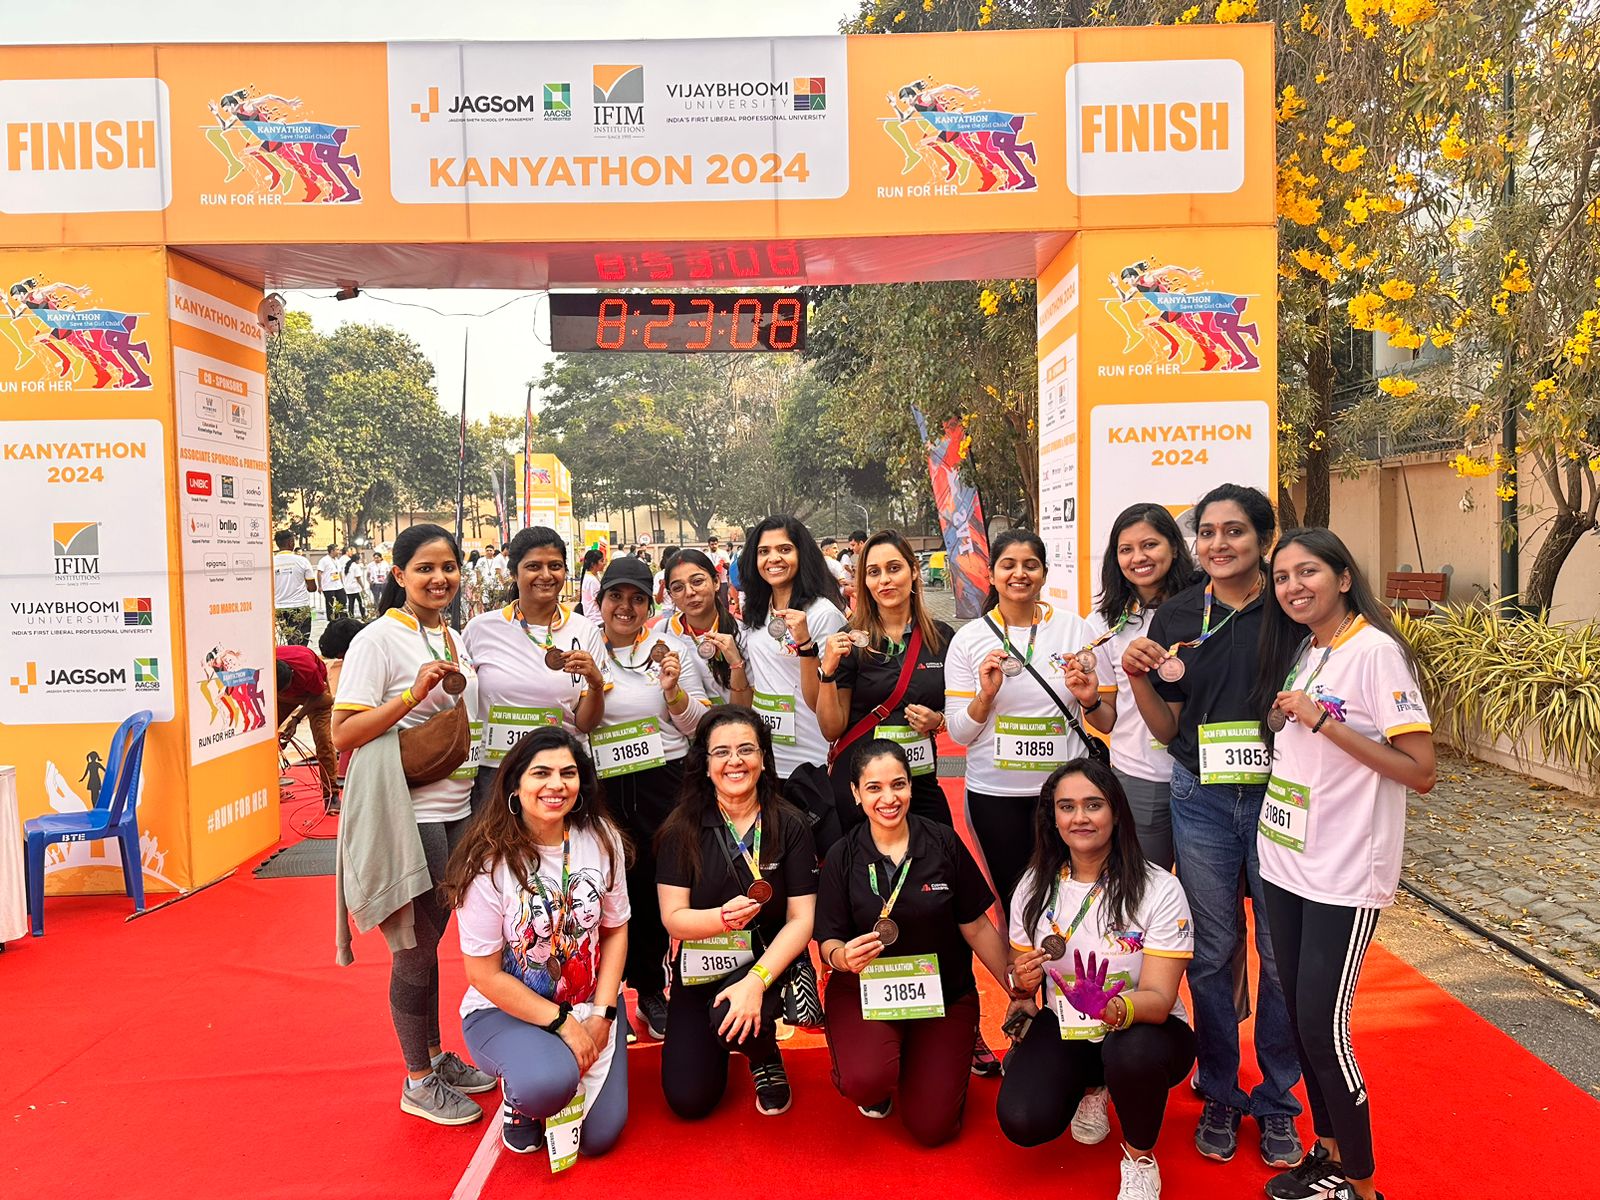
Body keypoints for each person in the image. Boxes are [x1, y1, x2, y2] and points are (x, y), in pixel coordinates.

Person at [1121, 483, 1303, 1167]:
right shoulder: (1173, 613)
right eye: (1208, 533)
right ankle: (1223, 1088)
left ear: (1264, 539)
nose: (1218, 545)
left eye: (1234, 532)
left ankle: (1280, 1099)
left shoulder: (1289, 608)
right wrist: (1139, 677)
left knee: (1282, 958)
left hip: (1280, 798)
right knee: (1215, 950)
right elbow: (1168, 728)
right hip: (1199, 798)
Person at [1251, 529, 1436, 1200]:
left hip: (1344, 869)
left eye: (1308, 573)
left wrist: (1324, 724)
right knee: (1300, 1021)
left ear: (1344, 577)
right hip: (1285, 860)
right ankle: (1326, 1156)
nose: (1294, 586)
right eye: (1282, 577)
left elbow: (1420, 771)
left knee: (1325, 1029)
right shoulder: (1308, 647)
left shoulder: (1376, 652)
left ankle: (1363, 1184)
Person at [331, 523, 495, 1127]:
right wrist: (408, 698)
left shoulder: (448, 635)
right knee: (415, 953)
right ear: (398, 575)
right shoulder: (379, 640)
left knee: (431, 948)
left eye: (448, 566)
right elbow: (343, 733)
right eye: (425, 568)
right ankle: (417, 1079)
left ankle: (433, 1055)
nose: (439, 578)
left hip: (456, 812)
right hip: (410, 815)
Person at [998, 759, 1196, 1200]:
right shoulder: (1033, 886)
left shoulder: (1158, 888)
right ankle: (1094, 1086)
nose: (1080, 817)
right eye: (1066, 807)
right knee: (1023, 1120)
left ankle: (1140, 1158)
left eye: (1093, 805)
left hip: (1147, 1032)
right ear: (1052, 818)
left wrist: (1114, 1007)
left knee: (1132, 1050)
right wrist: (1023, 981)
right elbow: (1020, 982)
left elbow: (1161, 999)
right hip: (1068, 1027)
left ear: (1116, 813)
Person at [441, 728, 632, 1158]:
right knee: (547, 1085)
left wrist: (602, 1014)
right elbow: (483, 974)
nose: (555, 785)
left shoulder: (601, 838)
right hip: (506, 1010)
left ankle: (561, 1061)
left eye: (568, 773)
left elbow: (616, 929)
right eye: (540, 773)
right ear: (515, 784)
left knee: (600, 1139)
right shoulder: (487, 861)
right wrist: (564, 1025)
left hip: (590, 1004)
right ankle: (523, 1101)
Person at [816, 739, 1013, 1144]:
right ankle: (878, 1063)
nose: (889, 798)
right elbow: (828, 941)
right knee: (866, 1080)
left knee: (932, 1128)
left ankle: (920, 1061)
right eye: (874, 788)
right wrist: (841, 956)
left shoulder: (942, 841)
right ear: (855, 793)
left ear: (911, 786)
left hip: (943, 996)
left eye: (898, 785)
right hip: (865, 992)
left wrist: (1017, 990)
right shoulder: (843, 855)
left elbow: (975, 925)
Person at [655, 707, 818, 1119]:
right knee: (689, 1100)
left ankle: (762, 1052)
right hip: (700, 961)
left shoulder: (791, 823)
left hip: (769, 959)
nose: (735, 761)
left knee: (735, 1011)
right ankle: (731, 1031)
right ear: (705, 764)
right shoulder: (681, 829)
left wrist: (757, 981)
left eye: (746, 749)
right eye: (721, 752)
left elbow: (802, 919)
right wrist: (721, 919)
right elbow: (673, 917)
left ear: (763, 758)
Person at [944, 530, 1106, 910]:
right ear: (991, 574)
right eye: (1009, 565)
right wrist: (984, 697)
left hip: (1066, 796)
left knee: (1074, 897)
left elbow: (1105, 720)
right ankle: (1019, 971)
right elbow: (959, 732)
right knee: (1012, 903)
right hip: (995, 795)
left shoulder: (1074, 630)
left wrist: (1090, 698)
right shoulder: (969, 640)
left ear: (1045, 574)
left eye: (1030, 565)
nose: (1020, 574)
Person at [592, 555, 708, 1042]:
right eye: (615, 596)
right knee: (605, 891)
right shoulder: (582, 648)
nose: (625, 607)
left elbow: (701, 723)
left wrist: (674, 690)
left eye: (637, 598)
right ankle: (603, 994)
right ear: (599, 602)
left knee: (659, 888)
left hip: (664, 783)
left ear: (650, 604)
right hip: (603, 787)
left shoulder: (673, 648)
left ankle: (653, 991)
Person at [1084, 504, 1202, 870]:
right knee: (1145, 887)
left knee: (1211, 896)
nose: (1138, 558)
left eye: (1150, 545)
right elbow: (1106, 721)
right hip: (1142, 776)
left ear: (1173, 546)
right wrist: (1088, 701)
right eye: (1126, 549)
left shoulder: (1206, 609)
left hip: (1207, 775)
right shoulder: (1104, 623)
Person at [464, 527, 609, 815]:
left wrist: (595, 683)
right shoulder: (480, 629)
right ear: (514, 573)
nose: (546, 575)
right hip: (497, 773)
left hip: (559, 775)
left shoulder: (585, 630)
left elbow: (585, 724)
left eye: (554, 566)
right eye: (533, 566)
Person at [736, 515, 849, 852]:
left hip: (811, 758)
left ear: (802, 554)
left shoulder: (823, 614)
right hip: (766, 759)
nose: (774, 559)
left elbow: (828, 691)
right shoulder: (755, 611)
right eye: (764, 551)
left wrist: (804, 645)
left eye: (784, 549)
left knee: (814, 857)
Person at [665, 548, 750, 707]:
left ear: (716, 582)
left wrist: (736, 664)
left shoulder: (742, 633)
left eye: (697, 581)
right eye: (678, 588)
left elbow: (747, 710)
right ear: (670, 596)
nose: (689, 592)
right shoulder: (663, 634)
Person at [275, 642, 336, 805]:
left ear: (293, 674)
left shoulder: (307, 669)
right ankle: (271, 788)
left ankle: (331, 794)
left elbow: (323, 697)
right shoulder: (266, 666)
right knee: (264, 738)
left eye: (286, 688)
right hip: (281, 698)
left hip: (315, 696)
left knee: (323, 741)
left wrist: (296, 719)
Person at [273, 530, 317, 646]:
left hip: (280, 608)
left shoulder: (271, 562)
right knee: (301, 643)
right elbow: (312, 588)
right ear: (291, 543)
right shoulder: (302, 561)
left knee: (290, 641)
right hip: (300, 607)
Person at [316, 543, 344, 621]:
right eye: (337, 550)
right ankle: (331, 620)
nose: (339, 552)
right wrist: (320, 586)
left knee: (342, 602)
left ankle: (339, 618)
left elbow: (339, 572)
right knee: (330, 605)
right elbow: (319, 573)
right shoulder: (324, 560)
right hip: (328, 586)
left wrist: (342, 583)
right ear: (332, 551)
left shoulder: (337, 560)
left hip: (338, 585)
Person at [705, 535, 732, 610]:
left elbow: (729, 567)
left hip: (722, 580)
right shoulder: (706, 555)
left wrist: (722, 563)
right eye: (712, 544)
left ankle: (726, 617)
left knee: (724, 600)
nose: (714, 546)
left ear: (718, 544)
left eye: (715, 544)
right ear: (709, 545)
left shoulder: (723, 553)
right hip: (711, 581)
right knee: (712, 599)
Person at [579, 548, 605, 622]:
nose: (604, 563)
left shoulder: (595, 576)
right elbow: (599, 599)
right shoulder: (592, 580)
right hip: (596, 619)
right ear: (593, 564)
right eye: (601, 561)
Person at [342, 546, 367, 621]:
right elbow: (358, 578)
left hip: (348, 588)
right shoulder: (355, 566)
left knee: (351, 603)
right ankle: (363, 616)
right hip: (355, 588)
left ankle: (351, 617)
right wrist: (362, 587)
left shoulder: (347, 565)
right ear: (357, 560)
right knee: (360, 602)